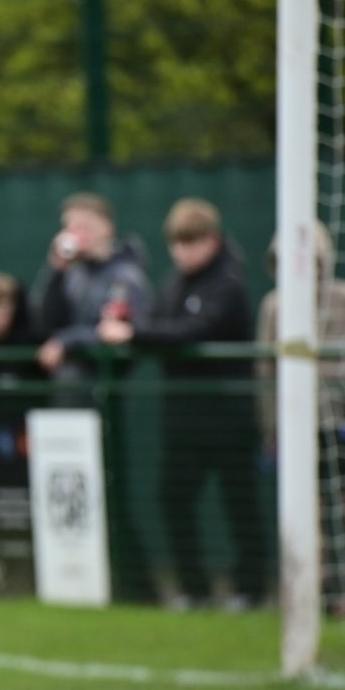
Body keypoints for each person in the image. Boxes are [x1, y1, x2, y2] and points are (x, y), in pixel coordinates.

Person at [98, 199, 263, 610]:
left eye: (192, 243)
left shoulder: (228, 283)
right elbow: (157, 325)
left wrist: (132, 334)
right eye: (177, 244)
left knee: (240, 505)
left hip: (229, 418)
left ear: (213, 241)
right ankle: (194, 590)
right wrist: (129, 326)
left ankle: (251, 589)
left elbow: (192, 330)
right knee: (173, 499)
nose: (183, 252)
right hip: (184, 419)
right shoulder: (173, 284)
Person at [258, 222, 345, 617]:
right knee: (307, 508)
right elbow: (265, 371)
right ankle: (318, 586)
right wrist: (272, 428)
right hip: (297, 425)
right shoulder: (275, 305)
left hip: (344, 423)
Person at [31, 192, 152, 388]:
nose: (77, 234)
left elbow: (120, 331)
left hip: (107, 384)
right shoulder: (70, 273)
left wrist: (67, 341)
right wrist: (56, 271)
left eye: (85, 226)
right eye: (70, 227)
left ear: (107, 228)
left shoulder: (127, 276)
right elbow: (46, 323)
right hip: (67, 384)